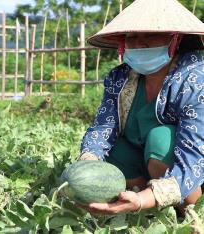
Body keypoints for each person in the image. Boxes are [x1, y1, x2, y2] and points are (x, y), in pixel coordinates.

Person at [78, 0, 204, 215]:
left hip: (192, 167)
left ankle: (191, 212)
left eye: (150, 35)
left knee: (161, 138)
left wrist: (143, 200)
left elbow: (194, 155)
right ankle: (144, 205)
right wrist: (87, 162)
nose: (139, 44)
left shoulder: (195, 80)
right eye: (132, 37)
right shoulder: (120, 78)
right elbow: (103, 127)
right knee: (113, 150)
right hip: (141, 162)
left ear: (176, 38)